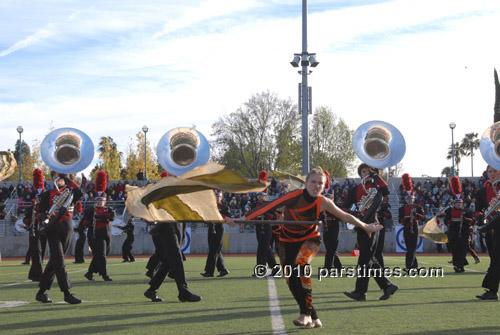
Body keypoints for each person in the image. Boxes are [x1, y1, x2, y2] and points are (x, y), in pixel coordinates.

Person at [226, 167, 383, 329]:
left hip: (310, 239)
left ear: (323, 186)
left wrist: (365, 226)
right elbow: (268, 206)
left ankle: (305, 315)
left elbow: (345, 216)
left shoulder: (324, 202)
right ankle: (314, 317)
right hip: (287, 241)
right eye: (313, 182)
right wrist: (242, 219)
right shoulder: (294, 197)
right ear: (306, 183)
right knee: (292, 281)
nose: (316, 186)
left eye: (320, 183)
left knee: (300, 268)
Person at [343, 163, 398, 302]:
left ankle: (360, 292)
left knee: (364, 260)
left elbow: (386, 190)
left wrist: (376, 176)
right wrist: (352, 213)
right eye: (363, 171)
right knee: (369, 260)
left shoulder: (377, 188)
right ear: (360, 174)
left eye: (369, 171)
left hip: (373, 224)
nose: (366, 172)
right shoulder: (355, 189)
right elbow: (344, 207)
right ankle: (387, 286)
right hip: (361, 224)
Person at [35, 172, 83, 304]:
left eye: (60, 177)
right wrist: (42, 216)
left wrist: (67, 178)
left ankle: (41, 293)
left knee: (54, 262)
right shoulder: (46, 194)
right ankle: (67, 293)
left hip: (67, 228)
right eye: (55, 177)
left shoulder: (71, 192)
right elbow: (40, 212)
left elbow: (80, 193)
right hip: (53, 229)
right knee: (59, 261)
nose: (58, 179)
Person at [144, 221, 201, 303]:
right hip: (167, 222)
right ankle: (183, 292)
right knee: (176, 257)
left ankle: (152, 290)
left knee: (169, 261)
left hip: (177, 221)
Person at [83, 171, 115, 282]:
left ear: (105, 201)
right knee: (101, 255)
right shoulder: (90, 210)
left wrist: (99, 217)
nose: (99, 202)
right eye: (98, 200)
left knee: (102, 254)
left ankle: (89, 273)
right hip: (95, 234)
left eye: (101, 201)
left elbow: (111, 217)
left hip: (106, 232)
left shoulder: (109, 209)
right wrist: (101, 217)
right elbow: (86, 222)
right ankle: (104, 275)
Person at [475, 165, 500, 300]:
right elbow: (478, 210)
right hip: (492, 230)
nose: (492, 174)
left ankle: (491, 290)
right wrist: (480, 216)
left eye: (495, 171)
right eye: (490, 171)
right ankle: (491, 290)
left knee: (496, 261)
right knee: (495, 260)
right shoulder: (482, 192)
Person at [439, 176, 473, 273]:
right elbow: (446, 220)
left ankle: (460, 266)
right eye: (457, 203)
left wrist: (465, 219)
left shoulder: (466, 210)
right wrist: (452, 222)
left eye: (460, 203)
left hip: (463, 232)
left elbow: (472, 220)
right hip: (453, 232)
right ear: (454, 203)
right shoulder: (449, 210)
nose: (458, 205)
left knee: (462, 250)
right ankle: (457, 264)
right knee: (454, 249)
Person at [398, 173, 425, 271]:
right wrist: (406, 219)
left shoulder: (418, 207)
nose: (409, 200)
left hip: (415, 228)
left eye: (411, 199)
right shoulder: (401, 209)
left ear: (413, 199)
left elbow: (423, 218)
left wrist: (416, 216)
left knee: (412, 248)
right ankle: (414, 266)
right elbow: (399, 220)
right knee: (409, 248)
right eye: (408, 199)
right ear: (406, 199)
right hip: (406, 228)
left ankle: (409, 266)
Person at [201, 190, 230, 277]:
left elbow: (228, 217)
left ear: (221, 197)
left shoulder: (224, 207)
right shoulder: (209, 206)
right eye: (215, 196)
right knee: (214, 250)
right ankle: (223, 269)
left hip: (219, 228)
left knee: (214, 251)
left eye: (218, 196)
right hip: (211, 228)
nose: (217, 198)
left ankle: (209, 271)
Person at [251, 190, 278, 277]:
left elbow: (274, 217)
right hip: (259, 227)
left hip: (266, 227)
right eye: (259, 195)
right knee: (265, 248)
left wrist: (265, 213)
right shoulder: (254, 204)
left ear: (265, 196)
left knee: (263, 248)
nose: (260, 197)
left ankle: (261, 269)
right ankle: (274, 268)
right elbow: (251, 215)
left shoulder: (268, 204)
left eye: (262, 195)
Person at [321, 170, 342, 271]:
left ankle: (327, 268)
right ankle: (339, 267)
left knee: (331, 249)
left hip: (334, 226)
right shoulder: (322, 204)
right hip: (325, 227)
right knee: (331, 249)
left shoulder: (335, 203)